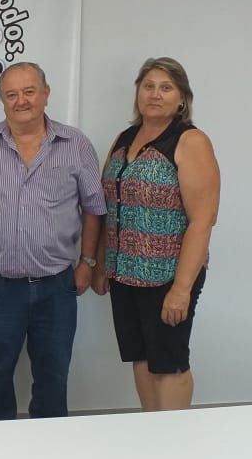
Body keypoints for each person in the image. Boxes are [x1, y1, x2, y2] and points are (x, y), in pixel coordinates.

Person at [0, 61, 106, 421]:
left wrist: (88, 262)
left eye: (29, 91)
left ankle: (49, 445)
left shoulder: (75, 144)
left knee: (53, 378)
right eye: (11, 94)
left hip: (56, 286)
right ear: (2, 100)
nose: (21, 101)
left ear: (46, 94)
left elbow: (94, 208)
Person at [95, 57, 220, 411]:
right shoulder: (125, 139)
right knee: (141, 358)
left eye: (166, 88)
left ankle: (174, 437)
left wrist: (181, 290)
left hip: (168, 276)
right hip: (124, 274)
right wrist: (102, 263)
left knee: (169, 363)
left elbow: (203, 220)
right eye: (148, 86)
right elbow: (109, 206)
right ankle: (152, 431)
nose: (155, 94)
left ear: (181, 98)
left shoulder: (190, 141)